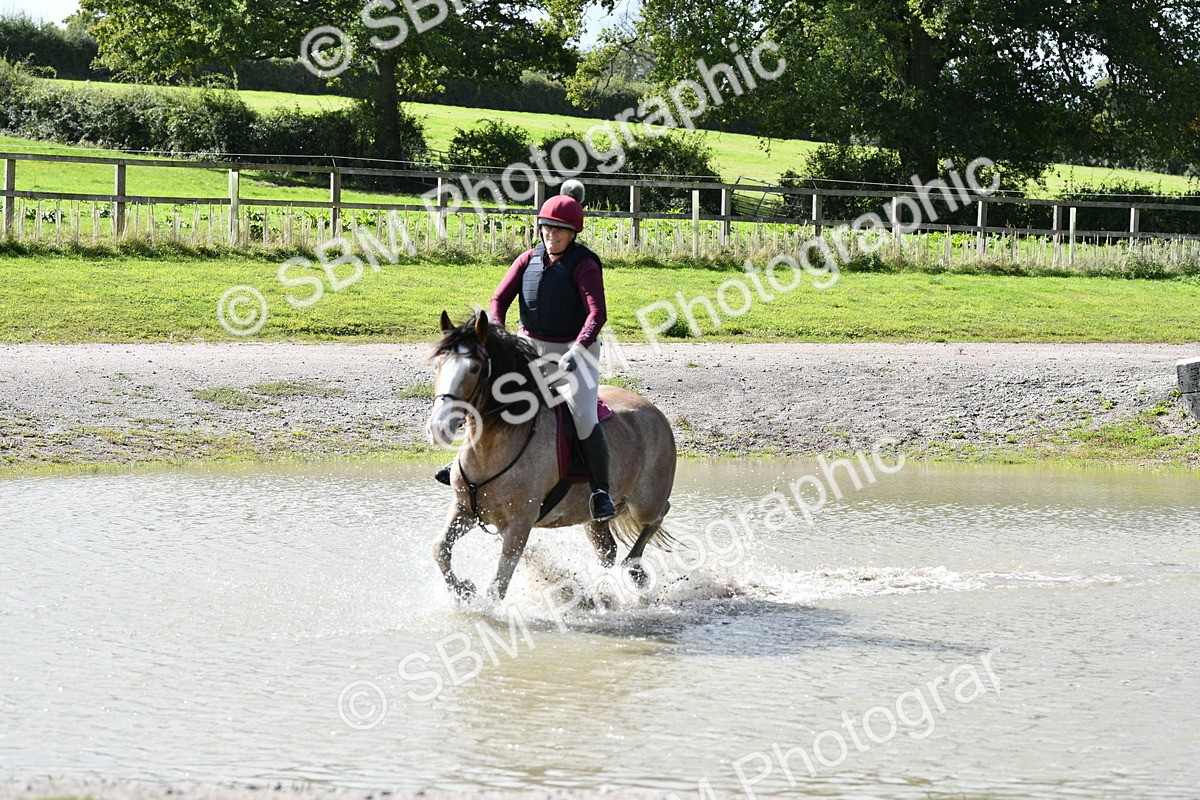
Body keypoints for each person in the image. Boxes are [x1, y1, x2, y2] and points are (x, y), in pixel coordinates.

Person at [435, 181, 617, 522]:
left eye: (560, 231)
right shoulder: (527, 260)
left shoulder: (585, 265)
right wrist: (499, 334)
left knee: (583, 415)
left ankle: (600, 491)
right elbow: (498, 300)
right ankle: (463, 465)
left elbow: (597, 314)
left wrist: (578, 349)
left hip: (574, 351)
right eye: (547, 228)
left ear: (573, 233)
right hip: (529, 347)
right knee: (493, 395)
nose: (552, 235)